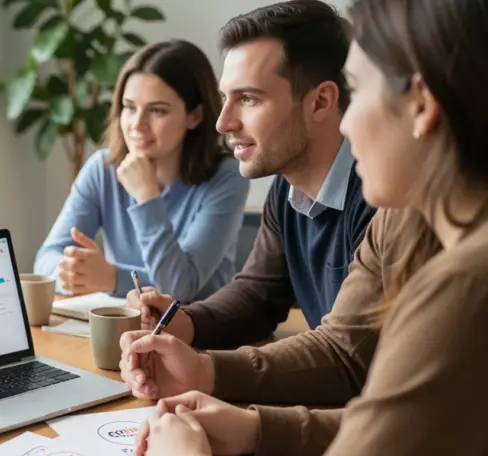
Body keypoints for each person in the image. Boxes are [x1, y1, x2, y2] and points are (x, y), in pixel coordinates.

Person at [127, 0, 488, 456]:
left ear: (421, 104)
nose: (346, 123)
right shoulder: (423, 225)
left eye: (358, 91)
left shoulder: (466, 285)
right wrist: (254, 424)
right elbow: (367, 381)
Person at [127, 0, 377, 349]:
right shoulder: (287, 188)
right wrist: (183, 322)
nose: (223, 123)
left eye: (247, 99)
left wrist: (207, 370)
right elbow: (258, 296)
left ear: (320, 101)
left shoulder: (380, 195)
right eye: (225, 98)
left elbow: (347, 353)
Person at [34, 40, 249, 302]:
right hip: (124, 325)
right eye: (129, 107)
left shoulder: (226, 176)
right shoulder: (103, 169)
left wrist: (147, 197)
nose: (137, 124)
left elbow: (181, 286)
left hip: (203, 332)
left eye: (157, 110)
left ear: (194, 116)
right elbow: (45, 259)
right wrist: (71, 272)